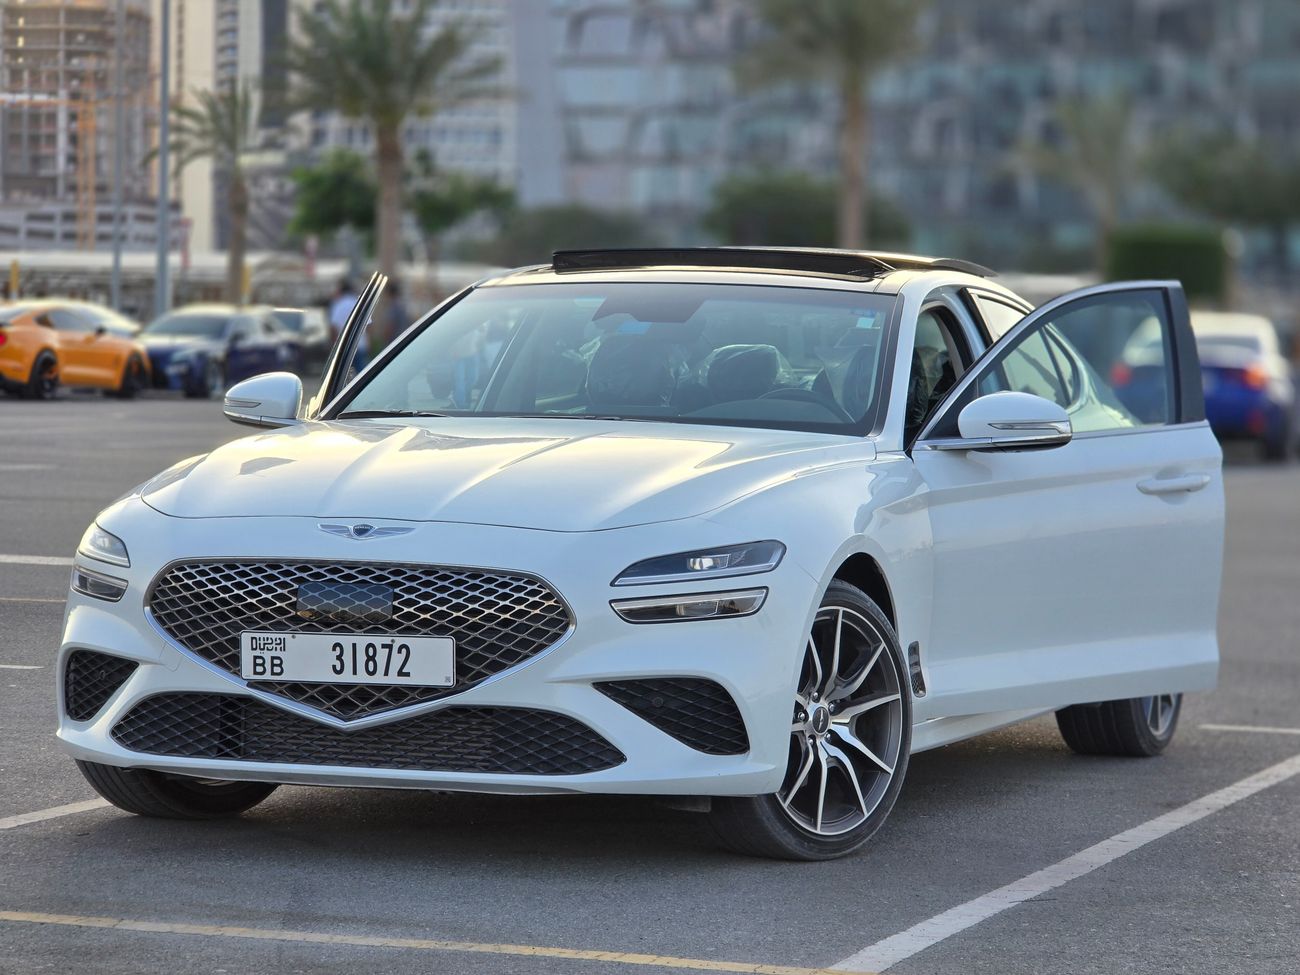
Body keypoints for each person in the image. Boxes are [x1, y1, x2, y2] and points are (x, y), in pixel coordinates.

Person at [328, 278, 367, 372]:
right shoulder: (359, 303)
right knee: (363, 373)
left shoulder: (338, 304)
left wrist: (334, 344)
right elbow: (368, 325)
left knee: (344, 374)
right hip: (360, 344)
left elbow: (333, 327)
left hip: (344, 346)